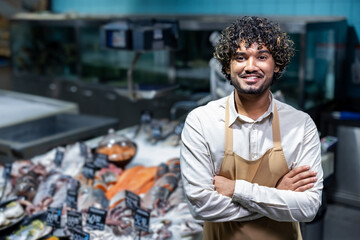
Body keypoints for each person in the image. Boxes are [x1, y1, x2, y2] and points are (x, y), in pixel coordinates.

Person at [180, 16, 323, 240]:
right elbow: (201, 207)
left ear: (277, 65)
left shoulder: (300, 125)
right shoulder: (201, 121)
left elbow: (308, 208)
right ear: (228, 66)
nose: (250, 66)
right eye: (240, 57)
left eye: (262, 57)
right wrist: (278, 195)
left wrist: (237, 189)